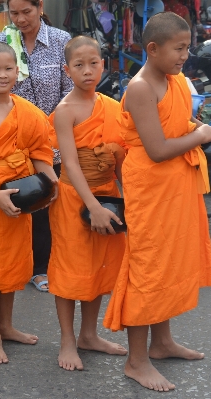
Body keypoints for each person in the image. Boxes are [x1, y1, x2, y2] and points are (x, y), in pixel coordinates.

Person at [103, 12, 211, 391]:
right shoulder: (142, 87)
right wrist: (201, 137)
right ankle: (136, 360)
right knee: (147, 269)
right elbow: (159, 148)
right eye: (179, 48)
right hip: (151, 186)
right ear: (152, 49)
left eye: (188, 47)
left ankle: (161, 343)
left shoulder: (175, 78)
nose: (186, 55)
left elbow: (183, 124)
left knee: (168, 264)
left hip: (178, 186)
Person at [0, 42, 58, 364]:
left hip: (20, 197)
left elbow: (40, 154)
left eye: (8, 69)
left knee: (11, 266)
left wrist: (51, 182)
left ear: (17, 72)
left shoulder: (26, 110)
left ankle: (6, 327)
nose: (2, 75)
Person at [0, 0, 73, 292]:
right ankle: (22, 267)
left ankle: (45, 266)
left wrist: (48, 130)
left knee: (47, 205)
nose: (20, 19)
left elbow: (69, 92)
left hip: (51, 141)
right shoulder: (1, 41)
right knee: (20, 206)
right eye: (14, 13)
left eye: (26, 12)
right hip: (10, 146)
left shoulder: (60, 41)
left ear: (40, 6)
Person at [48, 36, 129, 372]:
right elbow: (69, 163)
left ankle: (89, 335)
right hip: (73, 199)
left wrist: (129, 200)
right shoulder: (64, 111)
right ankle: (67, 340)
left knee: (98, 266)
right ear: (67, 71)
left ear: (103, 65)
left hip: (108, 193)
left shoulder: (112, 106)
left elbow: (123, 156)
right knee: (70, 271)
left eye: (93, 63)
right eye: (78, 65)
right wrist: (92, 205)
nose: (87, 71)